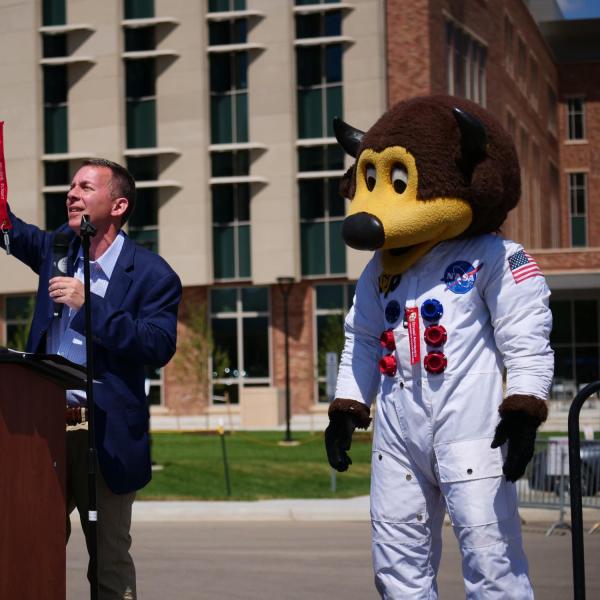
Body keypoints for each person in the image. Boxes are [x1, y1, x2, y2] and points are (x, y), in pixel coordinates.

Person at [325, 96, 553, 598]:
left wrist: (523, 408)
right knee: (396, 560)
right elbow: (362, 340)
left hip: (472, 429)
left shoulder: (496, 256)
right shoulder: (379, 269)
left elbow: (526, 338)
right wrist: (348, 404)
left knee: (491, 559)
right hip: (398, 433)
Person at [2, 158, 182, 599]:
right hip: (43, 428)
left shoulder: (154, 274)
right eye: (71, 186)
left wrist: (91, 306)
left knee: (109, 558)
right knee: (30, 545)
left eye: (85, 186)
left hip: (105, 434)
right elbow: (12, 229)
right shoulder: (56, 250)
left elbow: (157, 346)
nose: (72, 193)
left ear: (118, 204)